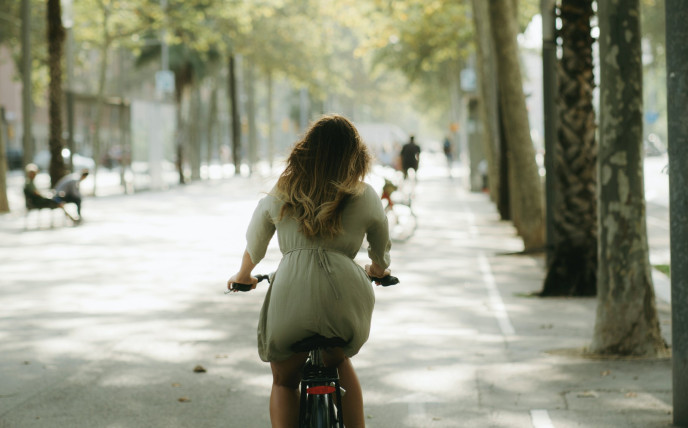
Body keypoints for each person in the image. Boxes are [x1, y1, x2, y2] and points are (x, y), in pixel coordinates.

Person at [227, 114, 392, 428]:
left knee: (284, 380)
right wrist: (379, 270)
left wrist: (243, 275)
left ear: (306, 149)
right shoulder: (364, 194)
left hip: (291, 293)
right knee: (339, 360)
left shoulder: (284, 190)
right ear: (354, 154)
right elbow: (381, 251)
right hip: (343, 298)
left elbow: (256, 242)